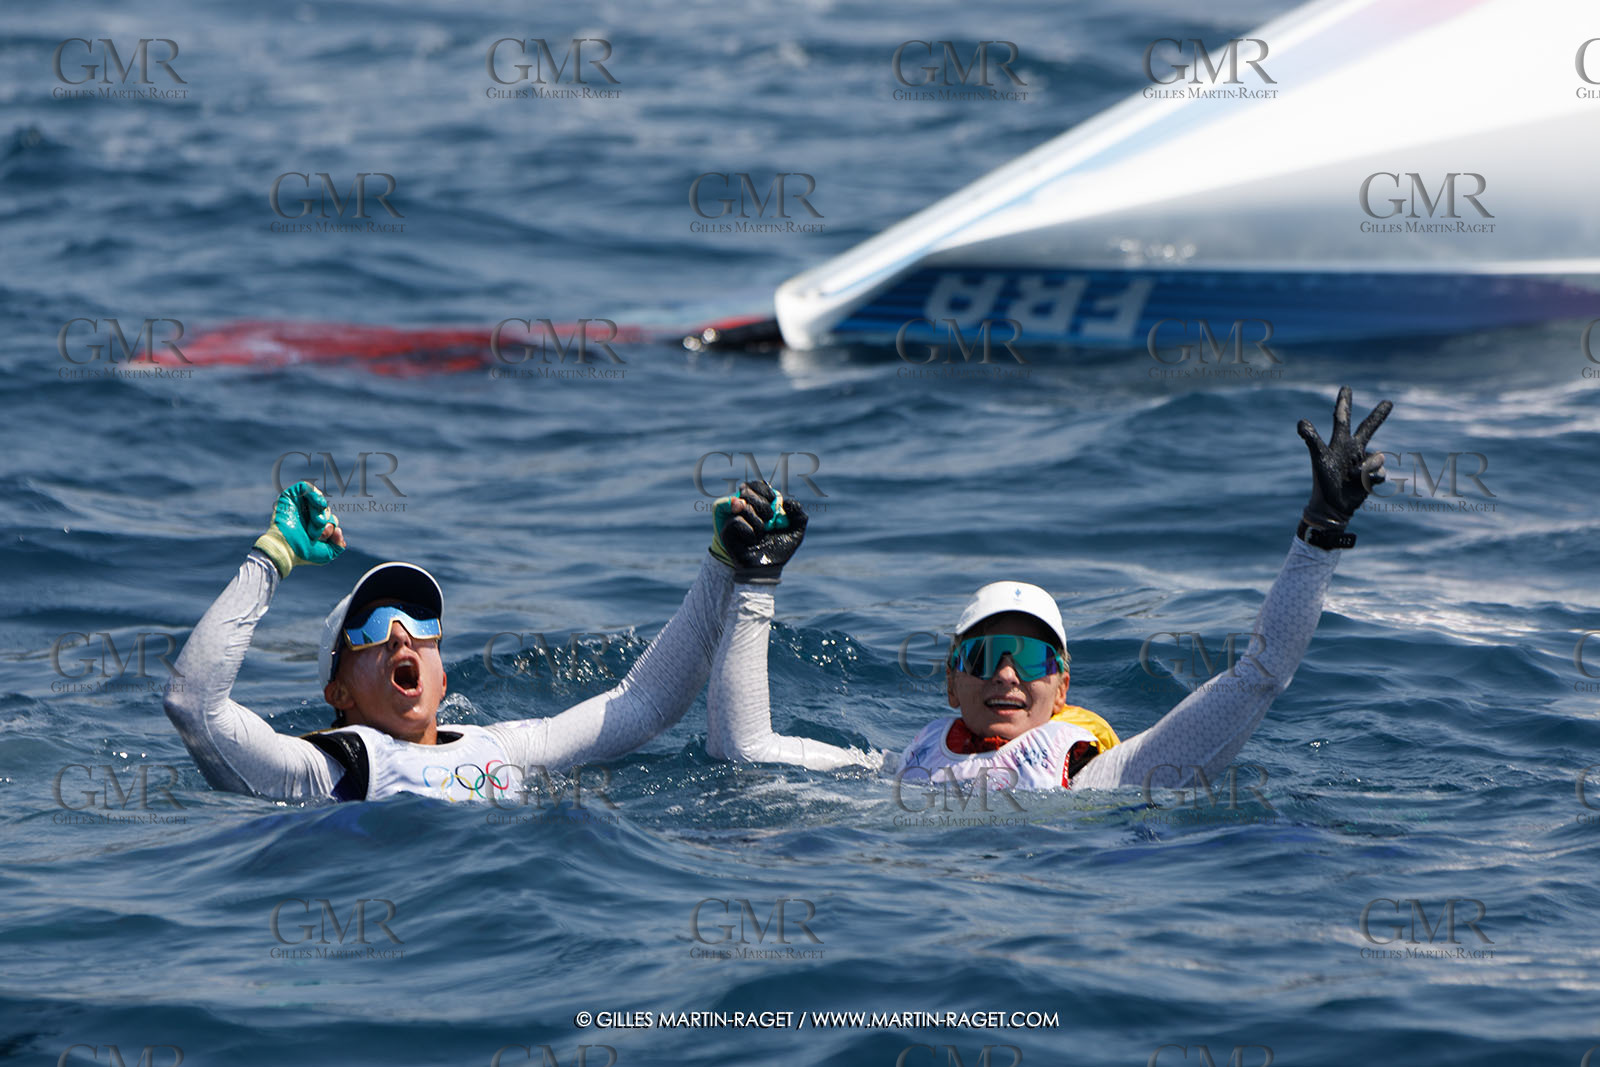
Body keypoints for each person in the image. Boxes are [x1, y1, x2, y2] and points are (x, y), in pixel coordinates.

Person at [708, 387, 1392, 794]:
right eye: (985, 655)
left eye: (1032, 659)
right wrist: (754, 579)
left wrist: (1321, 533)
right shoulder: (899, 766)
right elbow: (746, 748)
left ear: (1062, 688)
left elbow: (1260, 675)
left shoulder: (1101, 777)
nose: (1006, 672)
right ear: (951, 682)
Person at [162, 477, 833, 802]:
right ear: (337, 691)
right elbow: (196, 704)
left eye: (421, 625)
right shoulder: (332, 768)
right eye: (370, 629)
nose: (401, 635)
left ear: (443, 675)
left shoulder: (501, 746)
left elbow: (646, 704)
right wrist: (273, 555)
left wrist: (730, 562)